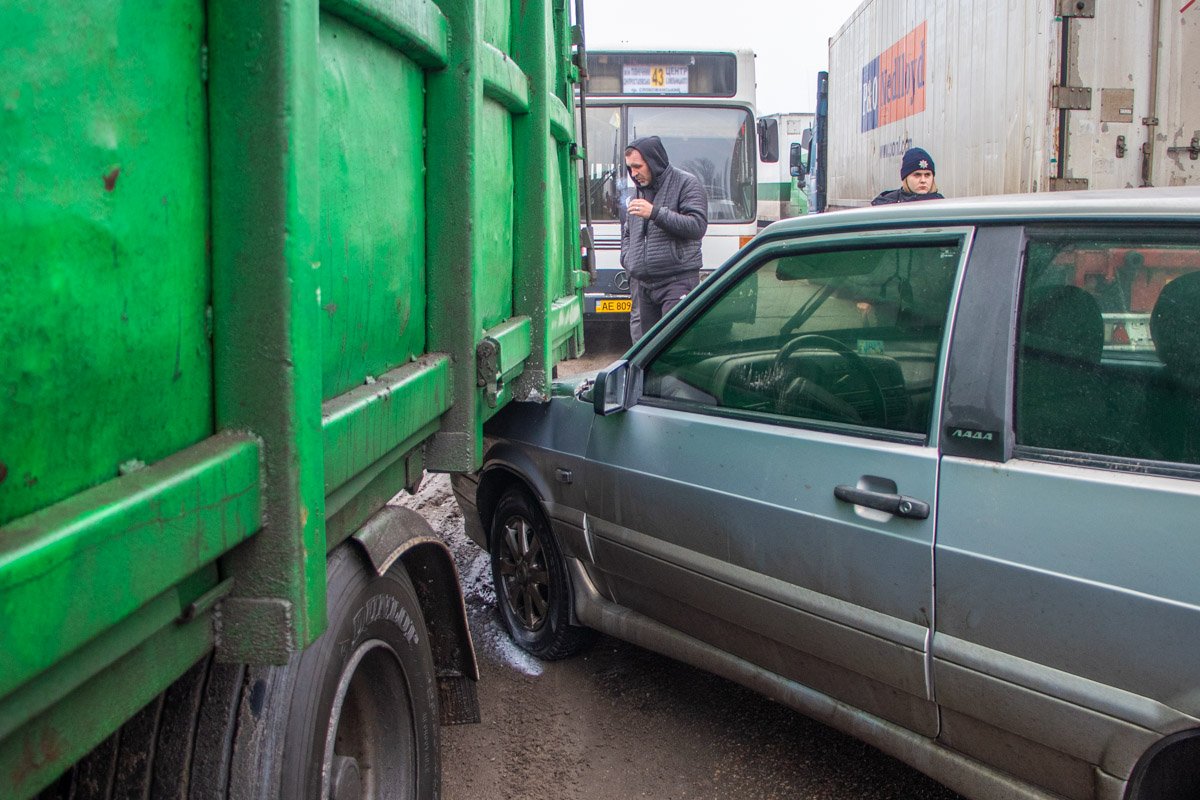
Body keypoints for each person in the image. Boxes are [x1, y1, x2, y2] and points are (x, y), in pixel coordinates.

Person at [621, 135, 708, 340]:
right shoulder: (637, 194)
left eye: (638, 166)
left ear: (653, 161)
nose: (634, 174)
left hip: (676, 281)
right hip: (642, 284)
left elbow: (697, 226)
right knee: (644, 350)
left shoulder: (687, 184)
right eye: (630, 168)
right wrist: (627, 259)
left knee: (672, 344)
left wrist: (655, 213)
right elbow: (627, 232)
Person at [871, 147, 944, 205]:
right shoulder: (886, 205)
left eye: (927, 175)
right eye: (917, 175)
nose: (923, 180)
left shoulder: (942, 206)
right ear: (905, 178)